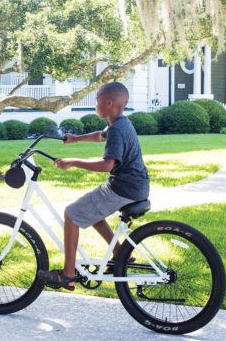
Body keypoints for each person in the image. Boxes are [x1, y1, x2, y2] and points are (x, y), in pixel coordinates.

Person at [39, 81, 150, 290]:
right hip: (134, 185)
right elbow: (101, 135)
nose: (95, 104)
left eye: (97, 100)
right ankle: (121, 255)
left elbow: (108, 165)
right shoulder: (120, 123)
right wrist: (76, 139)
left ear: (108, 103)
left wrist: (72, 162)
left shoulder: (117, 129)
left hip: (124, 188)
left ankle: (68, 275)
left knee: (71, 214)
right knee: (92, 211)